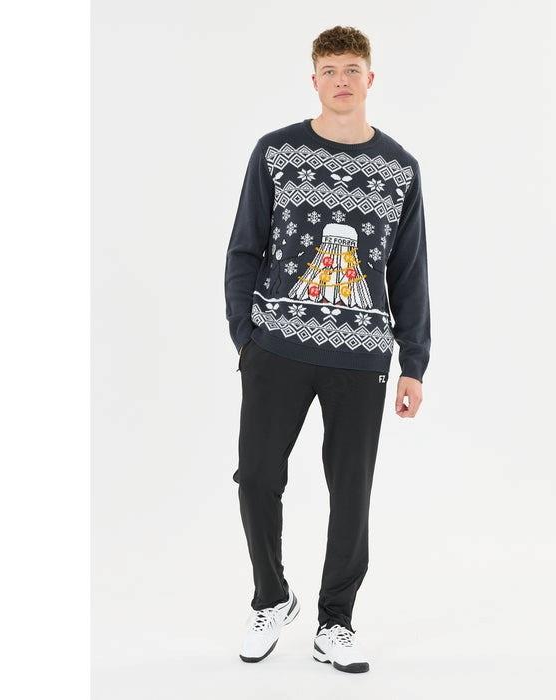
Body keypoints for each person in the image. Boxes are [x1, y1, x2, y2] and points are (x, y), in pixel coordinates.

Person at [224, 25, 431, 674]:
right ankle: (271, 598)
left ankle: (335, 621)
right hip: (276, 348)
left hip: (362, 357)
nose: (342, 80)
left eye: (352, 69)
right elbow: (245, 247)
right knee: (257, 476)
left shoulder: (399, 168)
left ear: (371, 79)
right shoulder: (276, 152)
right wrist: (245, 337)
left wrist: (414, 362)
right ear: (314, 79)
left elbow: (409, 272)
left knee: (351, 490)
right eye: (330, 70)